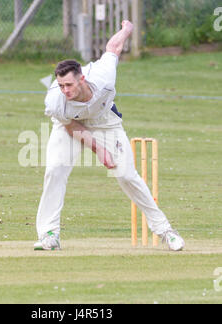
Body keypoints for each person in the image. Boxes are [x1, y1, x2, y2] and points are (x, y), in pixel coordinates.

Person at [34, 20, 185, 251]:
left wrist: (126, 30)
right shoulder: (56, 102)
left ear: (81, 78)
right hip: (71, 125)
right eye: (61, 85)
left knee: (126, 175)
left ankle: (165, 231)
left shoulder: (103, 76)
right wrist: (99, 149)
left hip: (105, 122)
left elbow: (112, 49)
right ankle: (49, 235)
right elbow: (72, 128)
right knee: (55, 169)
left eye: (69, 85)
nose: (66, 91)